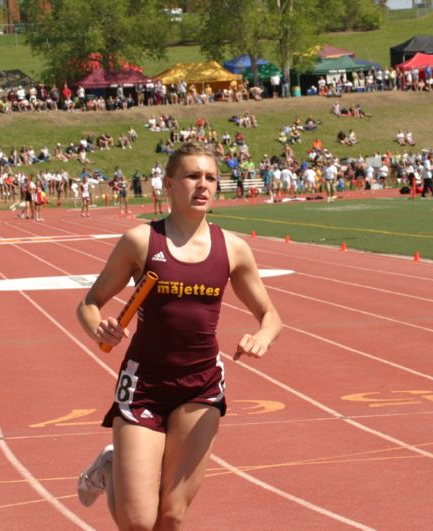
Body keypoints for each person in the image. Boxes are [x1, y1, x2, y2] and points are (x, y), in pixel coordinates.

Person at [75, 142, 282, 529]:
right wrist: (96, 326)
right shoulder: (141, 241)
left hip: (200, 385)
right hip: (145, 384)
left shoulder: (232, 248)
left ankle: (113, 467)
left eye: (210, 178)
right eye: (191, 176)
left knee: (171, 516)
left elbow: (270, 315)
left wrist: (263, 337)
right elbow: (89, 302)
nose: (202, 185)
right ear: (168, 184)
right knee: (138, 523)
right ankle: (110, 465)